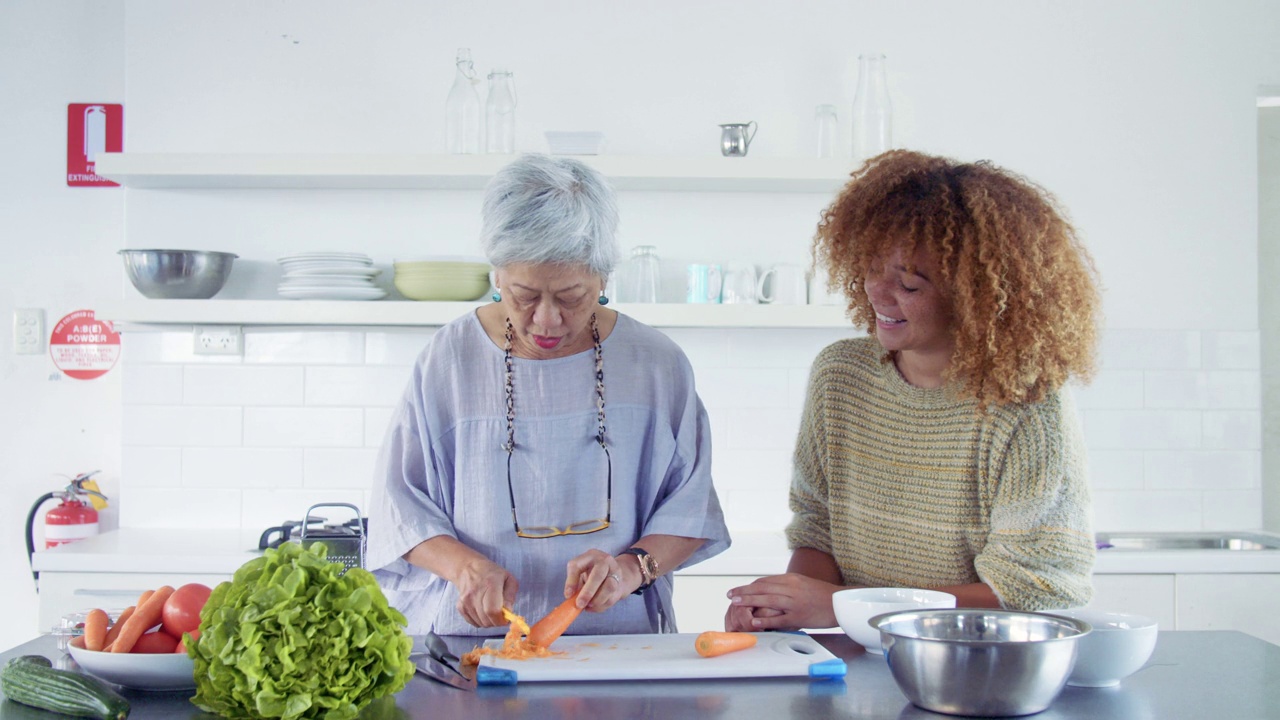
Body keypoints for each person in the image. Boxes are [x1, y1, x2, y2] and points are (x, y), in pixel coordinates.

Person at [726, 149, 1100, 632]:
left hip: (974, 665)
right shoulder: (840, 374)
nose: (877, 294)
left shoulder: (1025, 402)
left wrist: (842, 606)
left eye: (908, 284)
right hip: (857, 655)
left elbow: (1035, 592)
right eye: (872, 269)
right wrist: (785, 606)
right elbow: (817, 529)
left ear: (975, 298)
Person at [367, 154, 730, 637]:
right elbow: (400, 505)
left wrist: (630, 569)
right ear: (497, 275)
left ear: (603, 279)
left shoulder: (655, 364)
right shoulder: (448, 360)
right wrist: (464, 569)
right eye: (524, 295)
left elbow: (691, 507)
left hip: (616, 645)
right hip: (465, 642)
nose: (546, 320)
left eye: (570, 297)